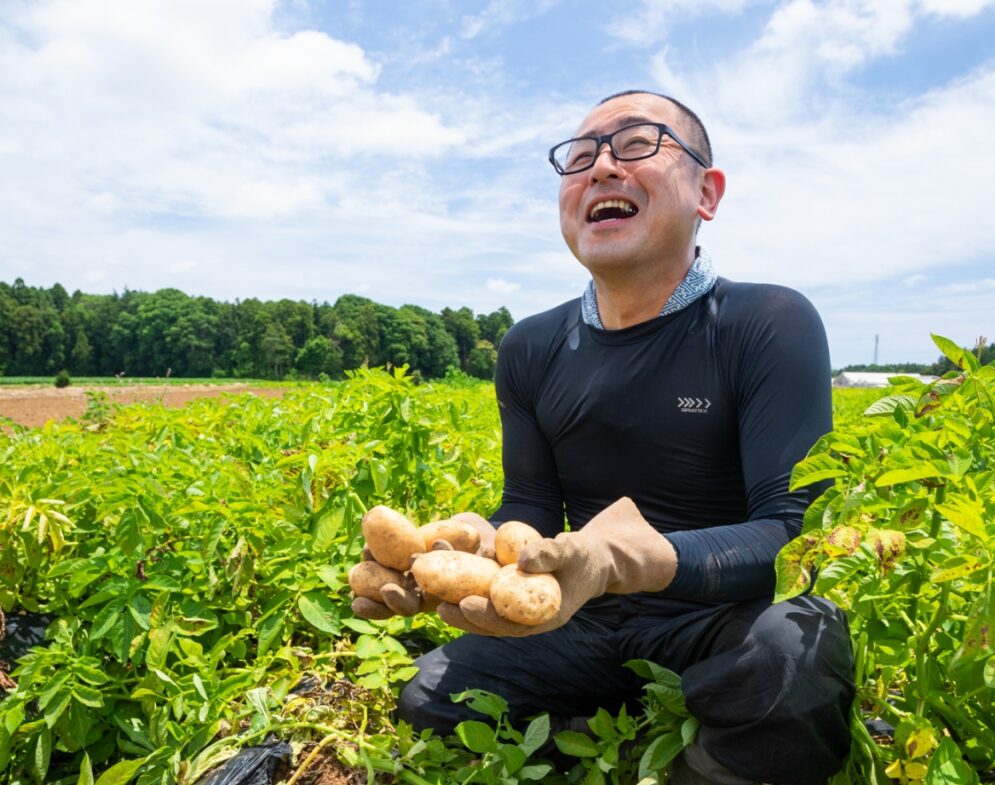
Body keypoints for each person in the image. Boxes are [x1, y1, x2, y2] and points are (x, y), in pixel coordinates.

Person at [351, 90, 855, 785]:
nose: (602, 167)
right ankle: (628, 737)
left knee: (799, 646)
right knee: (431, 695)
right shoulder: (530, 347)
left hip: (713, 621)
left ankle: (686, 742)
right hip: (581, 617)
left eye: (638, 143)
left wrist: (633, 559)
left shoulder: (767, 321)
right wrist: (479, 543)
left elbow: (791, 529)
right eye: (580, 156)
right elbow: (530, 503)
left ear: (707, 193)